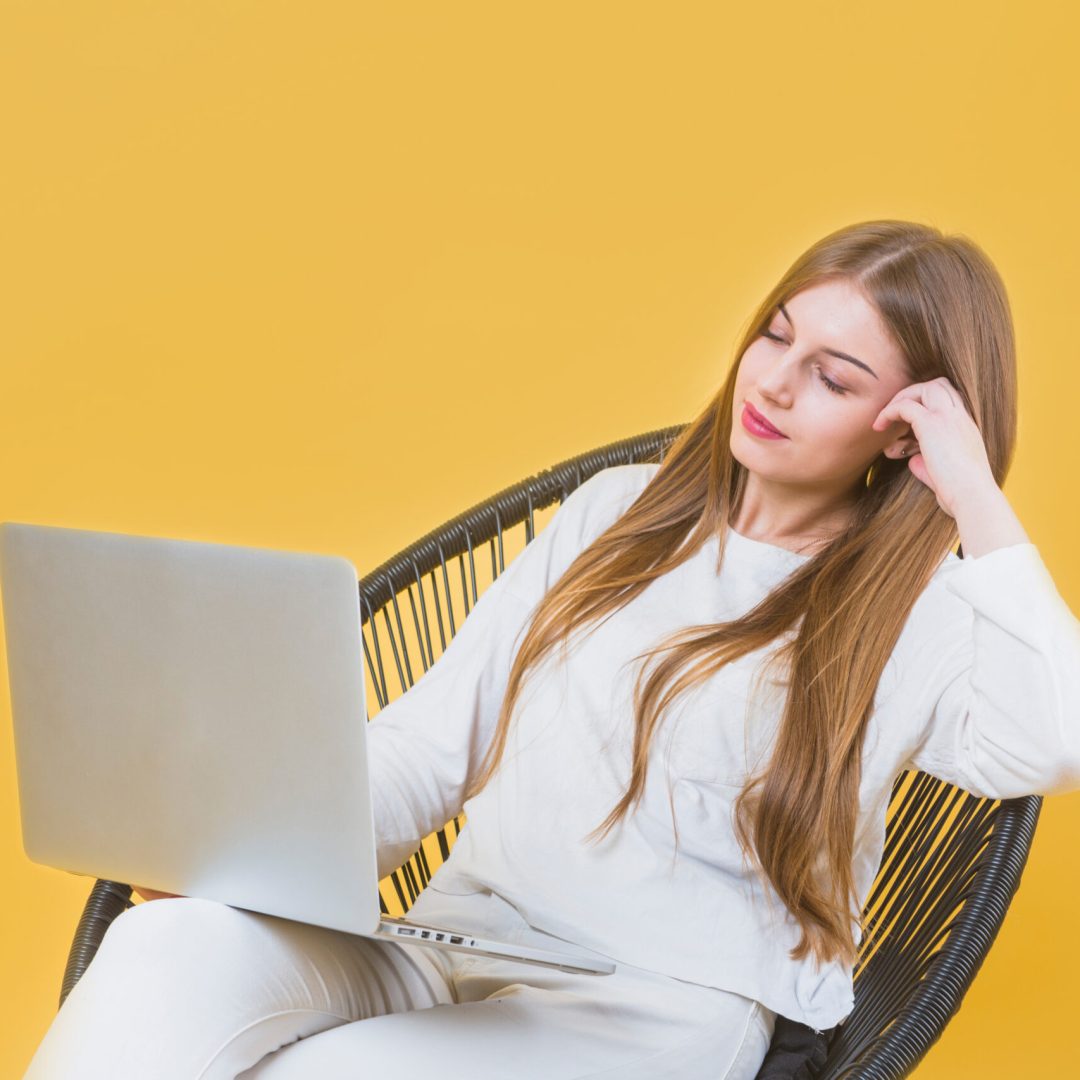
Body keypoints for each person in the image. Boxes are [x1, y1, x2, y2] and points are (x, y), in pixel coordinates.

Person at [24, 219, 1080, 1079]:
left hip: (654, 1010)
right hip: (458, 943)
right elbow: (428, 750)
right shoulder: (618, 514)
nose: (772, 383)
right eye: (775, 335)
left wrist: (974, 497)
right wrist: (246, 861)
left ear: (904, 432)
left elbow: (1061, 736)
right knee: (166, 949)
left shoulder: (915, 610)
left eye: (835, 378)